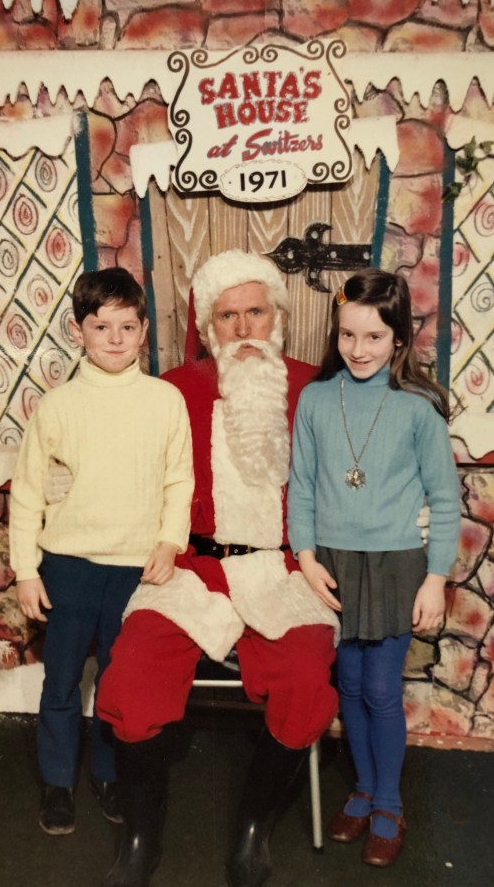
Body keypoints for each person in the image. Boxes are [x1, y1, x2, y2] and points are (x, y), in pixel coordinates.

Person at [93, 250, 341, 887]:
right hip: (192, 567)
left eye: (254, 311)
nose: (242, 328)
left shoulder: (314, 387)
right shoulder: (176, 388)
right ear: (208, 326)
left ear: (275, 317)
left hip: (284, 571)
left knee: (309, 680)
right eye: (226, 316)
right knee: (130, 674)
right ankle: (142, 840)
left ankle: (253, 830)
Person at [8, 268, 193, 837]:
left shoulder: (165, 400)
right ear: (78, 330)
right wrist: (25, 571)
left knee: (119, 678)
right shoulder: (59, 406)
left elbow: (178, 481)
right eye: (100, 326)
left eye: (127, 326)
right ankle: (58, 781)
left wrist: (169, 541)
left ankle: (111, 773)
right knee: (62, 677)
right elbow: (28, 491)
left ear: (144, 333)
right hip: (68, 565)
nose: (114, 338)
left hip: (135, 566)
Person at [288, 268, 460, 868]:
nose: (358, 350)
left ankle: (388, 803)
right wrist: (306, 557)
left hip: (395, 565)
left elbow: (445, 499)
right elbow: (303, 486)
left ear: (399, 340)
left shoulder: (418, 409)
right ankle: (361, 791)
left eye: (374, 338)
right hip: (331, 565)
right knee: (351, 686)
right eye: (347, 336)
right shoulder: (315, 398)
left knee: (383, 688)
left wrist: (436, 577)